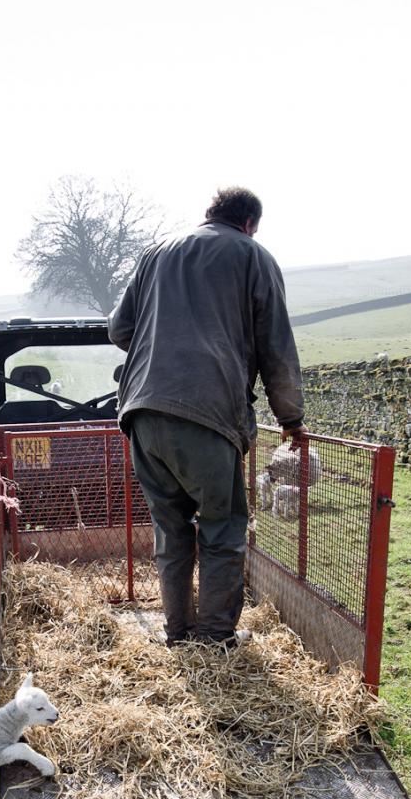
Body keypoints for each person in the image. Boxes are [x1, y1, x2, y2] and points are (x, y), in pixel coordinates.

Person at [108, 186, 307, 649]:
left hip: (141, 414)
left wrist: (163, 342)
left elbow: (119, 329)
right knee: (222, 528)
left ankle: (176, 633)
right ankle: (216, 638)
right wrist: (291, 418)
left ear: (210, 214)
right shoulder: (251, 256)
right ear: (250, 223)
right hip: (207, 416)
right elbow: (276, 344)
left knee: (171, 531)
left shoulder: (156, 252)